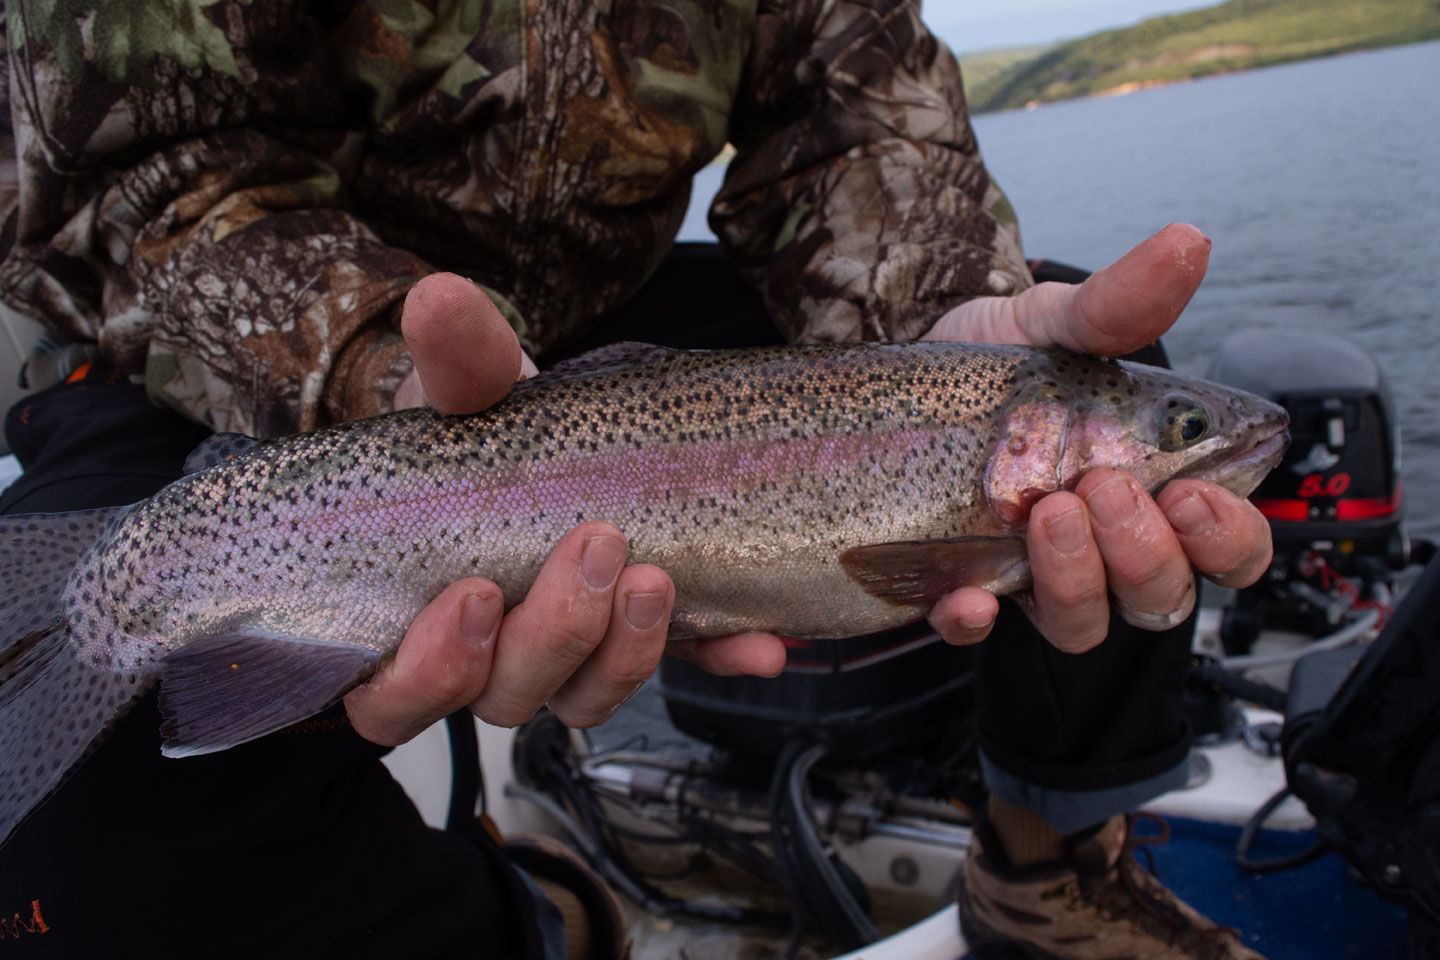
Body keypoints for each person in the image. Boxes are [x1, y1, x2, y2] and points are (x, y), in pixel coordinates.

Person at [0, 2, 1271, 958]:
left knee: (1087, 348)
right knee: (79, 848)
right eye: (1185, 431)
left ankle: (1048, 862)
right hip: (212, 339)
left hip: (616, 342)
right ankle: (535, 924)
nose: (1217, 434)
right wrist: (380, 368)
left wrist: (939, 315)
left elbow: (855, 137)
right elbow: (144, 172)